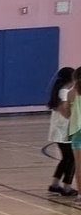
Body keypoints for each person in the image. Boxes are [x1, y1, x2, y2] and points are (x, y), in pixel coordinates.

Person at [48, 67, 76, 196]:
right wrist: (73, 118)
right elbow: (64, 109)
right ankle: (67, 186)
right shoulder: (64, 91)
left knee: (66, 158)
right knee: (72, 158)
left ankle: (55, 184)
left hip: (59, 129)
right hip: (63, 130)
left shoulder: (60, 90)